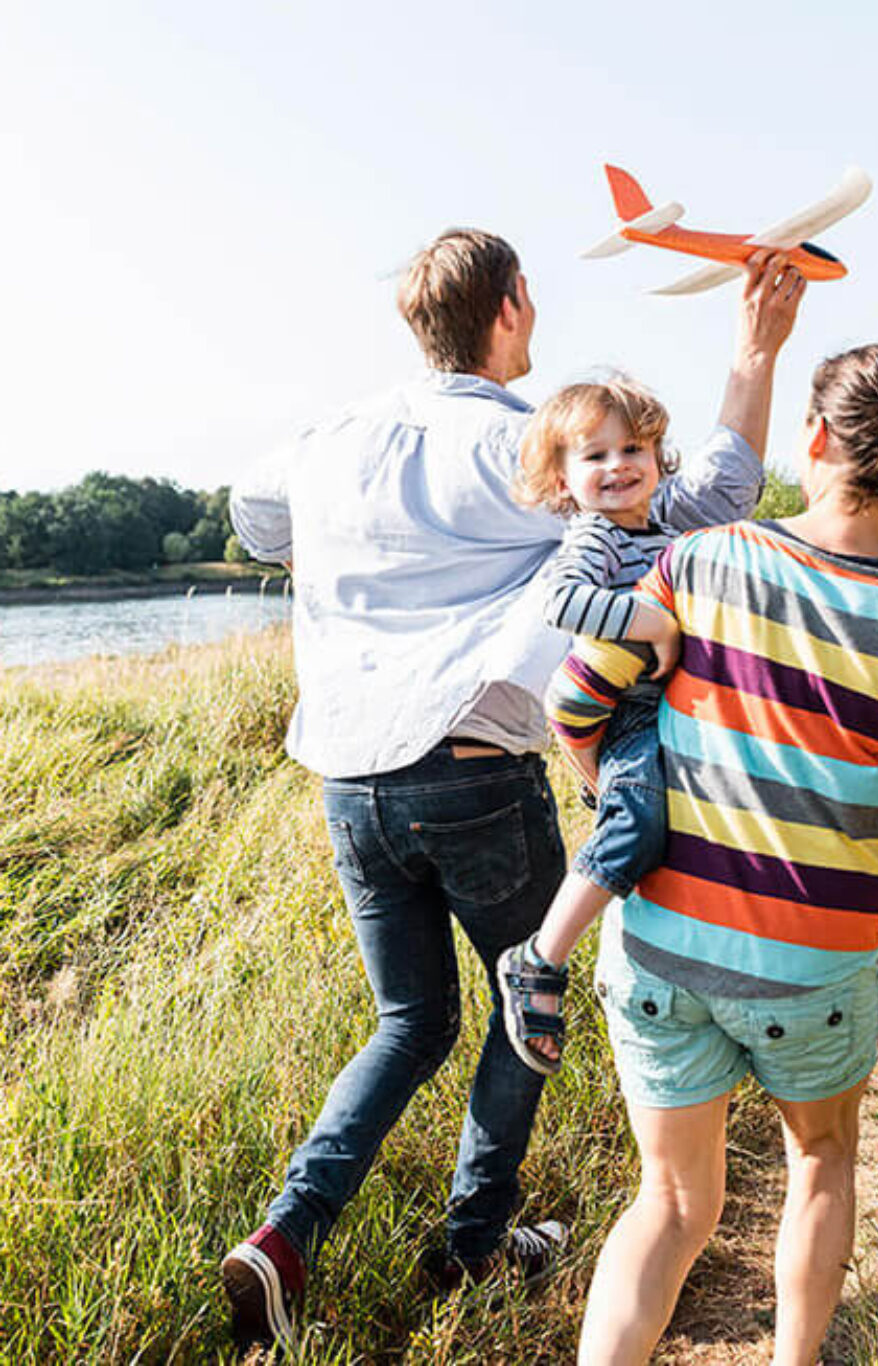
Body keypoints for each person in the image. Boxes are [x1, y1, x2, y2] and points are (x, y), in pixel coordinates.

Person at [221, 227, 804, 1357]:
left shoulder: (328, 435)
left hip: (346, 780)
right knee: (517, 1000)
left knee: (409, 1020)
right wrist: (753, 349)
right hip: (474, 768)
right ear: (513, 308)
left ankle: (287, 1233)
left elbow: (255, 520)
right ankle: (473, 1242)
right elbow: (708, 499)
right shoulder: (526, 446)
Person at [545, 342, 878, 1366]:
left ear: (812, 440)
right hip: (816, 970)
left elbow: (570, 703)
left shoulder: (702, 559)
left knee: (666, 1202)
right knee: (821, 1160)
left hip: (661, 948)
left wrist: (629, 798)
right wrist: (852, 830)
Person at [494, 359, 822, 1075]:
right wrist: (653, 623)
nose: (617, 467)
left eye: (632, 450)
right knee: (638, 824)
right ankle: (539, 958)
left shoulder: (667, 527)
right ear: (563, 482)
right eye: (595, 456)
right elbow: (563, 603)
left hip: (678, 711)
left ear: (658, 458)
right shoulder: (596, 537)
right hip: (632, 717)